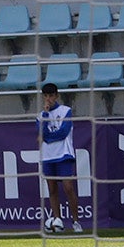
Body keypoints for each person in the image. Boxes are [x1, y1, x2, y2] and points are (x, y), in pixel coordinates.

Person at [38, 82, 81, 233]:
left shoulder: (66, 111)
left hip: (63, 154)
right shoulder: (41, 116)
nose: (48, 99)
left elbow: (64, 132)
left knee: (68, 187)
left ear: (57, 96)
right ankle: (58, 221)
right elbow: (42, 134)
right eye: (46, 96)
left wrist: (49, 138)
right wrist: (45, 114)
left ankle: (76, 222)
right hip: (48, 156)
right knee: (52, 189)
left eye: (51, 96)